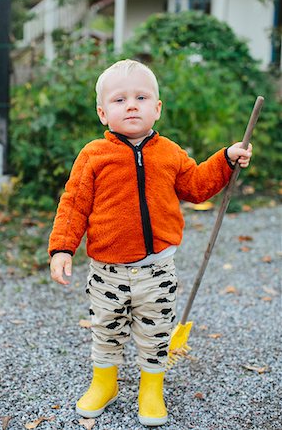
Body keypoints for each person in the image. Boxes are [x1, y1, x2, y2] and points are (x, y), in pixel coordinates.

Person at [48, 59, 252, 426]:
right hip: (107, 271)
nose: (131, 105)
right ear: (102, 113)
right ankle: (104, 383)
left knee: (155, 331)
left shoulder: (169, 152)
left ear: (157, 108)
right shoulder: (94, 155)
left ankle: (151, 389)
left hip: (157, 269)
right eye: (119, 99)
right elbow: (74, 204)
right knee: (106, 329)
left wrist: (225, 159)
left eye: (141, 97)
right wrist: (62, 248)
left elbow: (197, 185)